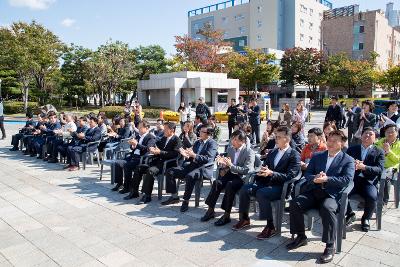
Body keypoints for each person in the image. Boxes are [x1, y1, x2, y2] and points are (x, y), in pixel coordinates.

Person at [287, 130, 355, 264]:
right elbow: (308, 174)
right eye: (329, 139)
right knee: (295, 204)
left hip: (331, 194)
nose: (331, 143)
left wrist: (327, 179)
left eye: (335, 140)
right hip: (314, 191)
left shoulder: (348, 160)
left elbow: (347, 179)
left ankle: (330, 245)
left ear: (342, 143)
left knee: (327, 208)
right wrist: (315, 178)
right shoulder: (318, 156)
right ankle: (301, 236)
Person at [232, 126, 301, 239]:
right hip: (266, 182)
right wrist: (261, 172)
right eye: (276, 136)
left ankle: (270, 226)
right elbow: (265, 167)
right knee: (245, 188)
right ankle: (244, 219)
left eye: (279, 137)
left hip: (281, 187)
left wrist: (271, 173)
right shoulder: (273, 152)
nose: (276, 139)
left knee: (262, 193)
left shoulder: (294, 154)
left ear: (287, 139)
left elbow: (290, 176)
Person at [201, 130, 255, 225]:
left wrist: (231, 166)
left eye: (235, 139)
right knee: (217, 183)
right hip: (231, 174)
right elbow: (228, 164)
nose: (232, 141)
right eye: (232, 139)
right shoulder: (230, 149)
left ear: (242, 141)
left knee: (230, 185)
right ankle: (210, 210)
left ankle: (226, 215)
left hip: (241, 178)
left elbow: (247, 170)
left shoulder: (249, 152)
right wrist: (223, 165)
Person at [162, 124, 218, 212]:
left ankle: (186, 201)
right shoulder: (197, 142)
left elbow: (208, 159)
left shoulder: (212, 143)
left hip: (203, 168)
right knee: (170, 171)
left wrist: (194, 155)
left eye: (202, 132)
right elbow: (192, 154)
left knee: (190, 176)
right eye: (200, 131)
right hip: (192, 165)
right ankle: (174, 196)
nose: (199, 133)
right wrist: (186, 153)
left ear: (208, 134)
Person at [345, 127, 385, 232]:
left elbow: (379, 169)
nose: (367, 136)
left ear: (375, 138)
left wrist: (364, 167)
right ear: (361, 136)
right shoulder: (352, 149)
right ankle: (350, 213)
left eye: (370, 134)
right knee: (341, 193)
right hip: (352, 180)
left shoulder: (379, 151)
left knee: (372, 197)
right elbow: (344, 163)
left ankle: (366, 218)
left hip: (368, 181)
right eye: (365, 133)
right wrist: (353, 165)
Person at [132, 122, 182, 204]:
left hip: (167, 164)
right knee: (139, 167)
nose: (164, 131)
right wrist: (153, 149)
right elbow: (156, 145)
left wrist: (160, 152)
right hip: (157, 161)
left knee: (150, 171)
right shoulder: (164, 138)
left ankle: (147, 195)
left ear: (172, 130)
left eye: (165, 129)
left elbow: (175, 154)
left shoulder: (177, 140)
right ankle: (134, 191)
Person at [111, 120, 157, 199]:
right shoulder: (138, 136)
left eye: (140, 127)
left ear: (146, 128)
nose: (138, 129)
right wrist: (132, 146)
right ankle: (119, 183)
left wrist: (137, 144)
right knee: (117, 163)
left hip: (141, 158)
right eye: (138, 127)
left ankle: (127, 187)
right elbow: (133, 148)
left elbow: (147, 149)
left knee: (127, 166)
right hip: (133, 156)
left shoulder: (151, 137)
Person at [375, 124, 400, 205]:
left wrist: (389, 151)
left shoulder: (399, 145)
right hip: (379, 166)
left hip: (393, 168)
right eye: (387, 132)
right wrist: (381, 151)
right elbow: (373, 153)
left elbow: (397, 160)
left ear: (397, 133)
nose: (390, 134)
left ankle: (383, 200)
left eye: (392, 132)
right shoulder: (380, 142)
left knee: (385, 177)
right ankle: (370, 197)